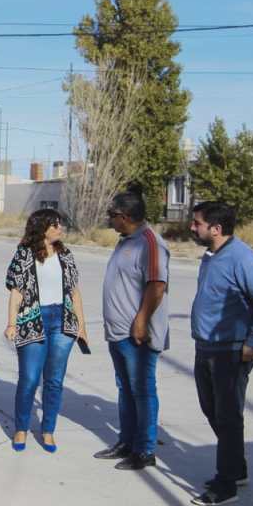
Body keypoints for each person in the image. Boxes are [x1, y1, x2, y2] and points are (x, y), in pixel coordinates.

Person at [189, 201, 253, 506]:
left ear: (216, 229)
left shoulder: (243, 259)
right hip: (206, 348)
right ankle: (236, 468)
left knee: (227, 416)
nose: (192, 227)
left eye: (197, 223)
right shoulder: (212, 256)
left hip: (230, 351)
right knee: (211, 409)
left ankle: (226, 484)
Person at [93, 186, 170, 471]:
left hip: (136, 335)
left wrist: (140, 321)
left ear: (124, 216)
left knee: (142, 390)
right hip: (118, 333)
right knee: (125, 389)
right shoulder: (127, 240)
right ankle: (127, 442)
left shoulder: (149, 243)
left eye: (112, 215)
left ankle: (145, 449)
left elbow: (157, 285)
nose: (109, 220)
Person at [4, 209, 87, 453]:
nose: (60, 228)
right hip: (32, 320)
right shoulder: (24, 254)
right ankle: (21, 427)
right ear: (42, 228)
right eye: (55, 224)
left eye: (60, 224)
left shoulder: (66, 255)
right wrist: (11, 324)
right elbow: (16, 293)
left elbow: (74, 292)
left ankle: (48, 430)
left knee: (54, 381)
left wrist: (81, 326)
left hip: (62, 321)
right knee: (29, 379)